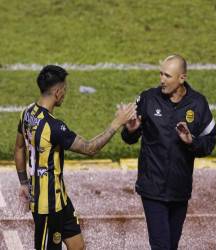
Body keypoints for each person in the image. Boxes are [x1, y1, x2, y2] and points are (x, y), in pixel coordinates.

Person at [14, 65, 136, 250]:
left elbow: (19, 147)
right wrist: (116, 124)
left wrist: (23, 181)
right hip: (47, 208)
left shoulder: (27, 113)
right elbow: (90, 148)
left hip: (60, 200)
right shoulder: (54, 127)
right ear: (57, 92)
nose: (65, 94)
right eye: (64, 90)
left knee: (78, 246)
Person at [121, 55, 216, 250]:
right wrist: (131, 130)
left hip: (180, 190)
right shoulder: (148, 99)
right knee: (161, 246)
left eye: (167, 75)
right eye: (161, 74)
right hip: (152, 188)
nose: (162, 80)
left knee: (171, 245)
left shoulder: (198, 103)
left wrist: (192, 142)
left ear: (182, 78)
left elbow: (210, 141)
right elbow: (129, 138)